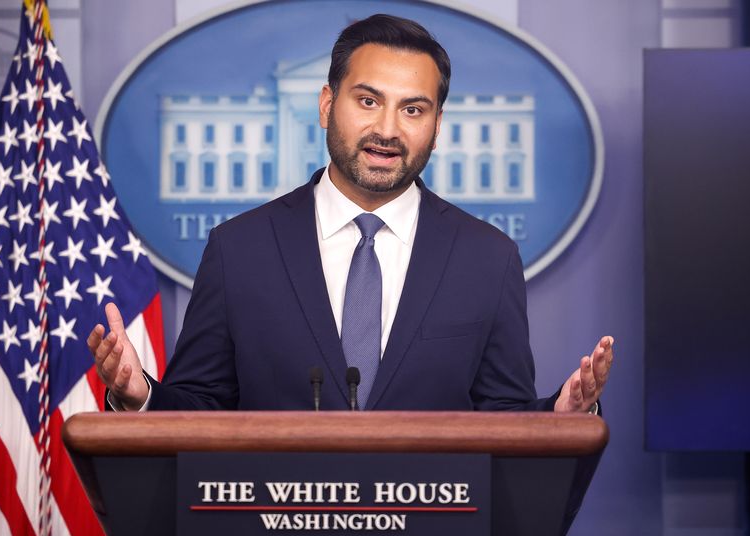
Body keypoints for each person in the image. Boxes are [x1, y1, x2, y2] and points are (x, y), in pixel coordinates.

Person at [87, 14, 613, 413]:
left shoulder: (487, 257)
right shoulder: (238, 249)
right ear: (325, 105)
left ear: (437, 126)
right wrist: (138, 395)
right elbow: (201, 408)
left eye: (413, 109)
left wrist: (560, 416)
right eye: (367, 101)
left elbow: (503, 421)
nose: (388, 129)